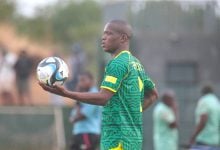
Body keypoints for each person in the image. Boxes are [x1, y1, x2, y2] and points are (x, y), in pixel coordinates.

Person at [39, 19, 158, 150]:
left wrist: (66, 93)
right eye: (103, 34)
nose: (103, 38)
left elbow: (103, 97)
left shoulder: (118, 63)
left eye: (109, 34)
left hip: (117, 140)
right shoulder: (136, 63)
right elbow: (153, 95)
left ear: (123, 38)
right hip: (133, 139)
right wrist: (132, 112)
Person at [69, 72, 102, 150]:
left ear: (92, 81)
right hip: (79, 132)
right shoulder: (83, 96)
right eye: (79, 81)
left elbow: (82, 116)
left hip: (88, 132)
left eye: (83, 80)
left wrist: (74, 118)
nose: (80, 83)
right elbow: (73, 116)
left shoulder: (94, 95)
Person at [189, 85, 220, 150]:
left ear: (202, 92)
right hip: (215, 141)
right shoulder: (217, 102)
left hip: (204, 140)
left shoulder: (203, 101)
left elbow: (203, 120)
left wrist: (194, 136)